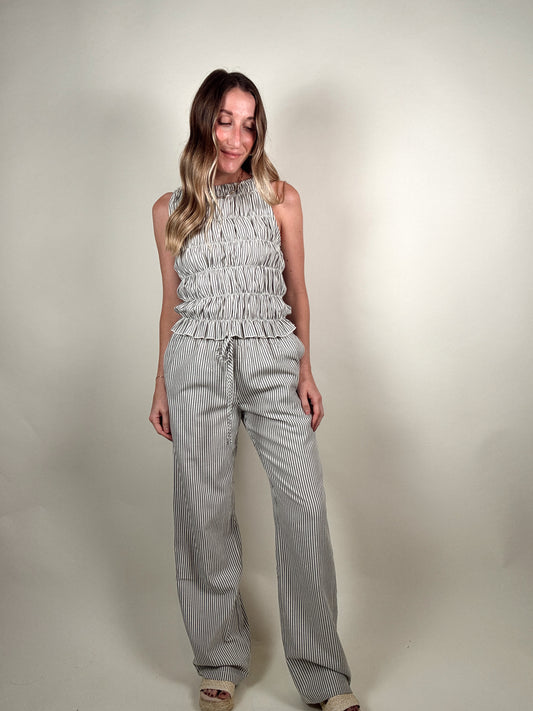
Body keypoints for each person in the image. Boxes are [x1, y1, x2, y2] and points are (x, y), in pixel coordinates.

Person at [149, 69, 360, 711]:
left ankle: (323, 676)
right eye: (225, 121)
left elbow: (297, 289)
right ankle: (219, 660)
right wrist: (161, 382)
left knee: (304, 506)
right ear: (203, 121)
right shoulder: (169, 209)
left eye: (249, 124)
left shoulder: (280, 197)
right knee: (203, 514)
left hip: (271, 355)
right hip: (195, 361)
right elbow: (171, 303)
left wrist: (305, 369)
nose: (237, 137)